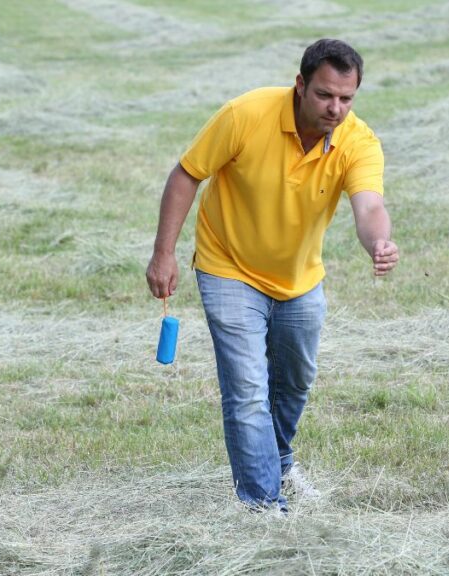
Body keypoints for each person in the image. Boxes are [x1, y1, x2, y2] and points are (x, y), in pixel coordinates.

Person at [145, 39, 398, 513]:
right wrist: (164, 254)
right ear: (300, 85)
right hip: (228, 267)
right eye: (325, 95)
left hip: (300, 279)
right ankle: (264, 507)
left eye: (346, 98)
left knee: (295, 381)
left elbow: (370, 206)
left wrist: (379, 242)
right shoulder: (246, 115)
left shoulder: (358, 141)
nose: (336, 108)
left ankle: (278, 460)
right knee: (247, 389)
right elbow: (186, 174)